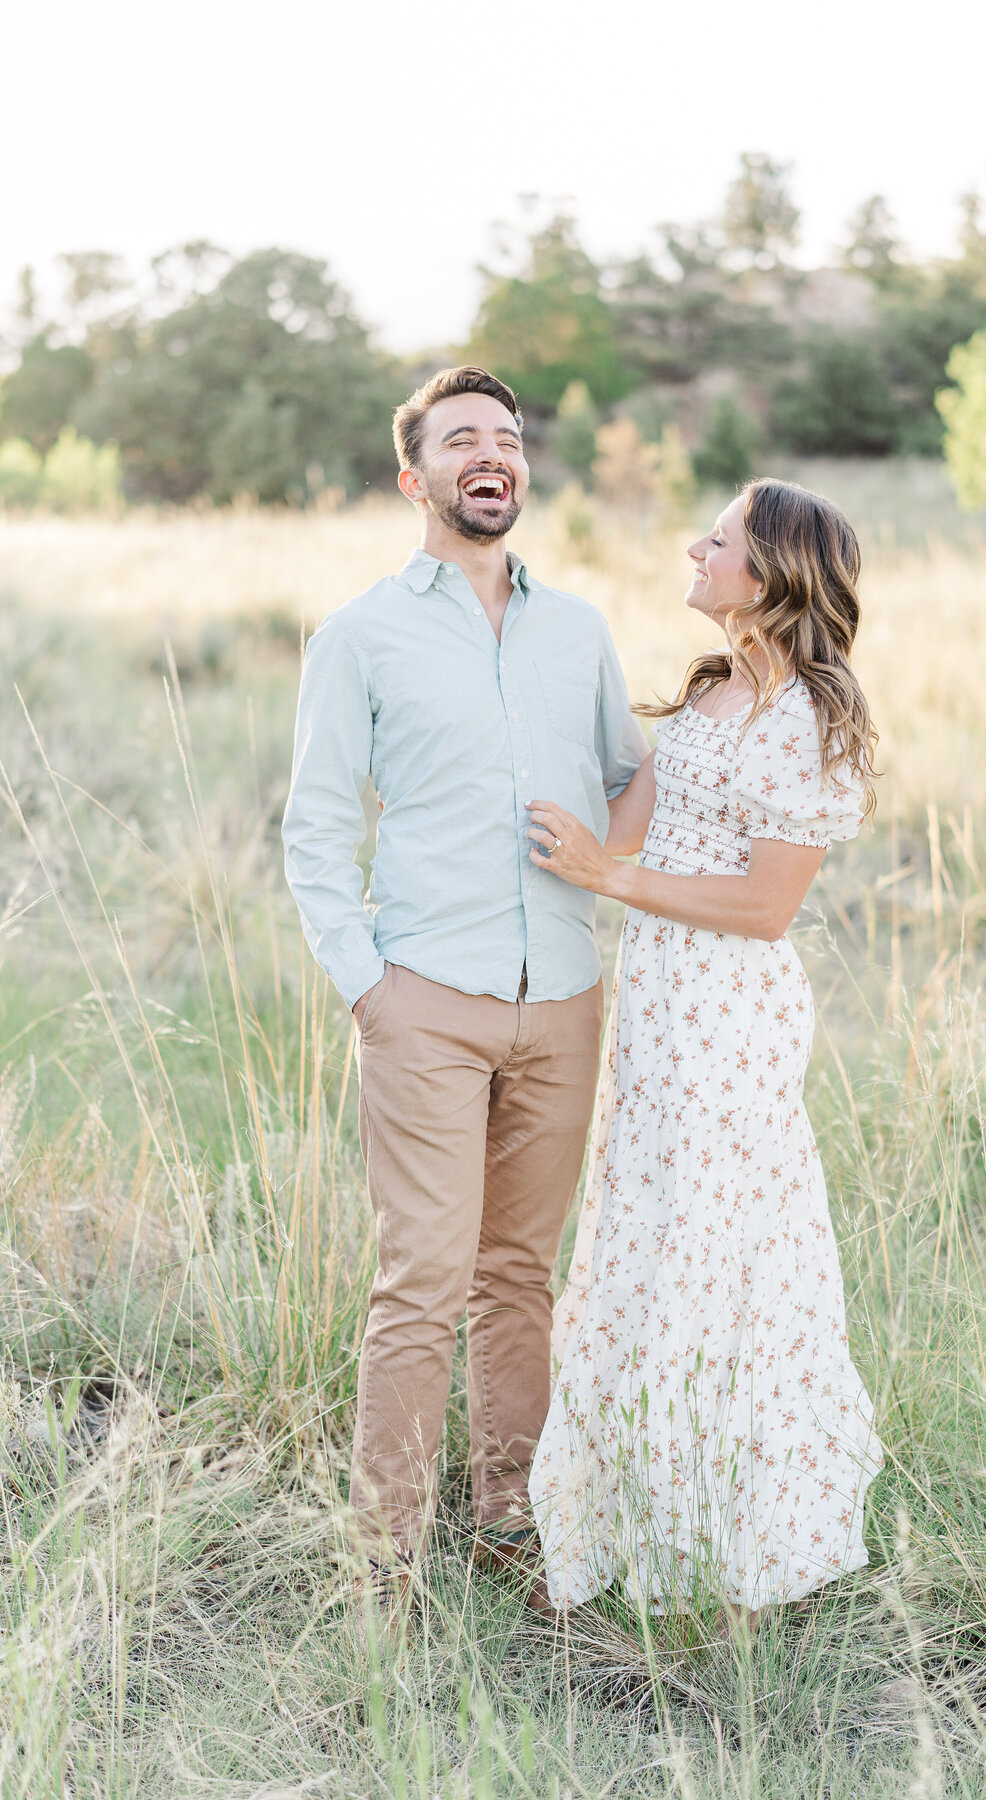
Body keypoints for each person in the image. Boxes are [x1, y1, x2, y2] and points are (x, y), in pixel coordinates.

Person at [281, 367, 647, 1599]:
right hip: (424, 996)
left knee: (518, 1277)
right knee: (424, 1280)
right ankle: (382, 1561)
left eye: (507, 439)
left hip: (564, 996)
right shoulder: (361, 635)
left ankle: (509, 1522)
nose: (491, 455)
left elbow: (626, 774)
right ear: (415, 478)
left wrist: (610, 858)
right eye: (461, 442)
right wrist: (365, 985)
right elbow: (315, 828)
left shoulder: (579, 629)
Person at [526, 478, 884, 1621]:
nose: (695, 546)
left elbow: (764, 907)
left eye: (718, 539)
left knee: (721, 1245)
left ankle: (732, 1535)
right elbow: (626, 824)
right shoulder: (716, 687)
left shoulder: (811, 719)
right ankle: (630, 1512)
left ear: (772, 573)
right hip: (658, 1007)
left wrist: (611, 876)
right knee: (642, 1226)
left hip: (731, 1011)